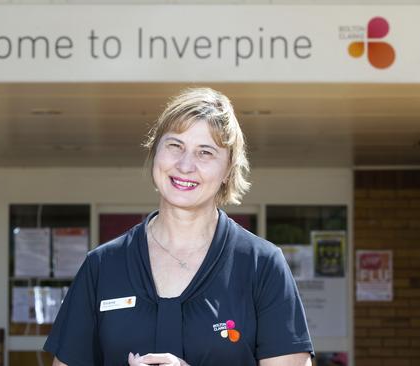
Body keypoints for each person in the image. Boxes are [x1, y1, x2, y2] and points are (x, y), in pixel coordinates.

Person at [44, 88, 314, 366]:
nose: (185, 165)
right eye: (175, 145)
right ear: (155, 152)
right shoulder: (102, 267)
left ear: (228, 171)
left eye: (205, 152)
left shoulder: (262, 265)